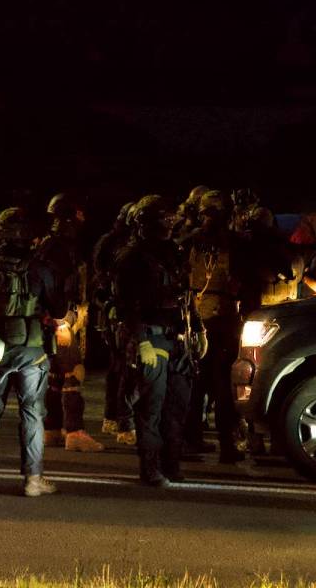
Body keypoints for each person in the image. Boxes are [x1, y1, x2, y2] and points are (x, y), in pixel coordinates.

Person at [0, 207, 63, 497]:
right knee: (32, 412)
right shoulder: (40, 268)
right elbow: (59, 308)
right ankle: (33, 478)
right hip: (31, 350)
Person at [113, 195, 207, 486]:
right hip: (151, 338)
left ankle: (171, 465)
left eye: (170, 217)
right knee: (151, 407)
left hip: (178, 338)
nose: (169, 222)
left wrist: (199, 329)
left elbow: (186, 294)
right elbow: (125, 305)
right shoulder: (131, 257)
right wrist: (140, 341)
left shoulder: (175, 252)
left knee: (177, 406)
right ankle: (151, 468)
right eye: (163, 217)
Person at [36, 193, 103, 453]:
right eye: (77, 215)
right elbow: (56, 287)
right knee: (73, 374)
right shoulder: (58, 248)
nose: (82, 219)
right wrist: (61, 321)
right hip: (62, 320)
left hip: (58, 319)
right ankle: (75, 432)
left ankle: (52, 429)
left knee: (56, 376)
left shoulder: (52, 245)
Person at [185, 190, 245, 463]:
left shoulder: (188, 241)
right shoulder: (236, 243)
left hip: (197, 318)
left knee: (196, 381)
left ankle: (191, 438)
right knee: (221, 383)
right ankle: (225, 443)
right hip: (222, 318)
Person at [92, 200, 137, 445]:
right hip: (118, 313)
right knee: (124, 368)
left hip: (117, 311)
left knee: (119, 367)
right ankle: (122, 421)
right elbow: (101, 280)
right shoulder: (117, 245)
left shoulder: (119, 243)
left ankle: (113, 416)